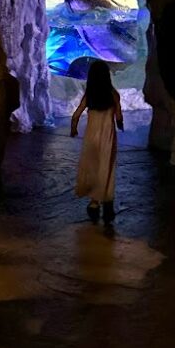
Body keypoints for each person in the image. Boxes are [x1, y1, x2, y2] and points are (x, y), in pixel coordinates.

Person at [70, 60, 124, 225]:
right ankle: (107, 203)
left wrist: (74, 130)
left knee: (92, 166)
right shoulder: (113, 94)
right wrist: (120, 125)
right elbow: (119, 116)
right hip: (107, 137)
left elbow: (76, 115)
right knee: (106, 167)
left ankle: (94, 203)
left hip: (91, 137)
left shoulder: (90, 94)